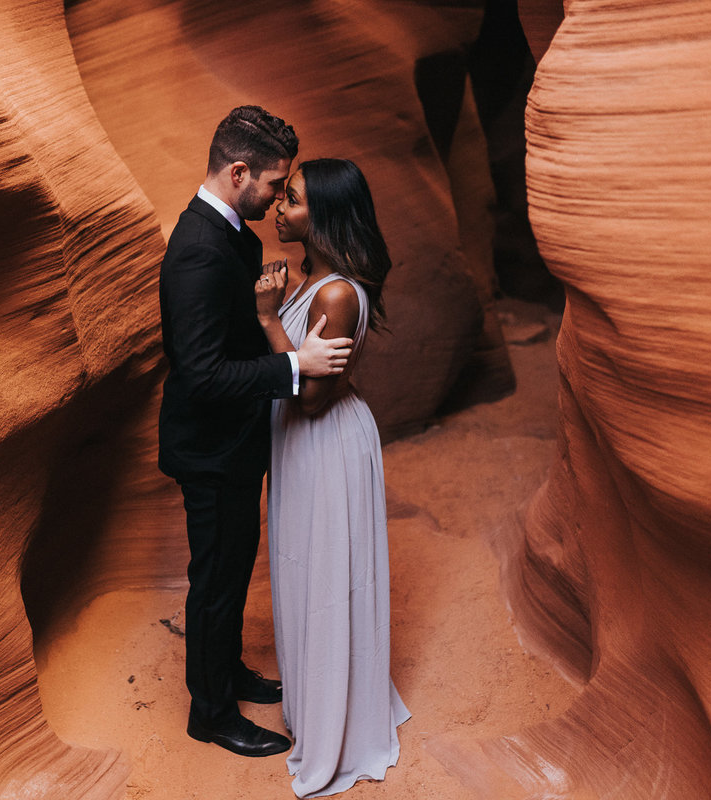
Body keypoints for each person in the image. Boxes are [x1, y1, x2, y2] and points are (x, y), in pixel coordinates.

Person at [157, 107, 355, 758]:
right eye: (274, 184)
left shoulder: (232, 234)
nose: (277, 197)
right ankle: (210, 713)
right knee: (216, 579)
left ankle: (229, 671)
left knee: (237, 569)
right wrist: (296, 365)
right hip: (210, 453)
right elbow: (203, 375)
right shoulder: (195, 251)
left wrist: (264, 310)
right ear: (238, 172)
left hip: (236, 444)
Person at [254, 158, 411, 797]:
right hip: (297, 445)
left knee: (324, 575)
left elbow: (313, 397)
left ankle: (337, 728)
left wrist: (267, 320)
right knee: (298, 568)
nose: (278, 209)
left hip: (324, 443)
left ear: (322, 216)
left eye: (290, 200)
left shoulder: (338, 293)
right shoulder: (308, 280)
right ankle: (316, 702)